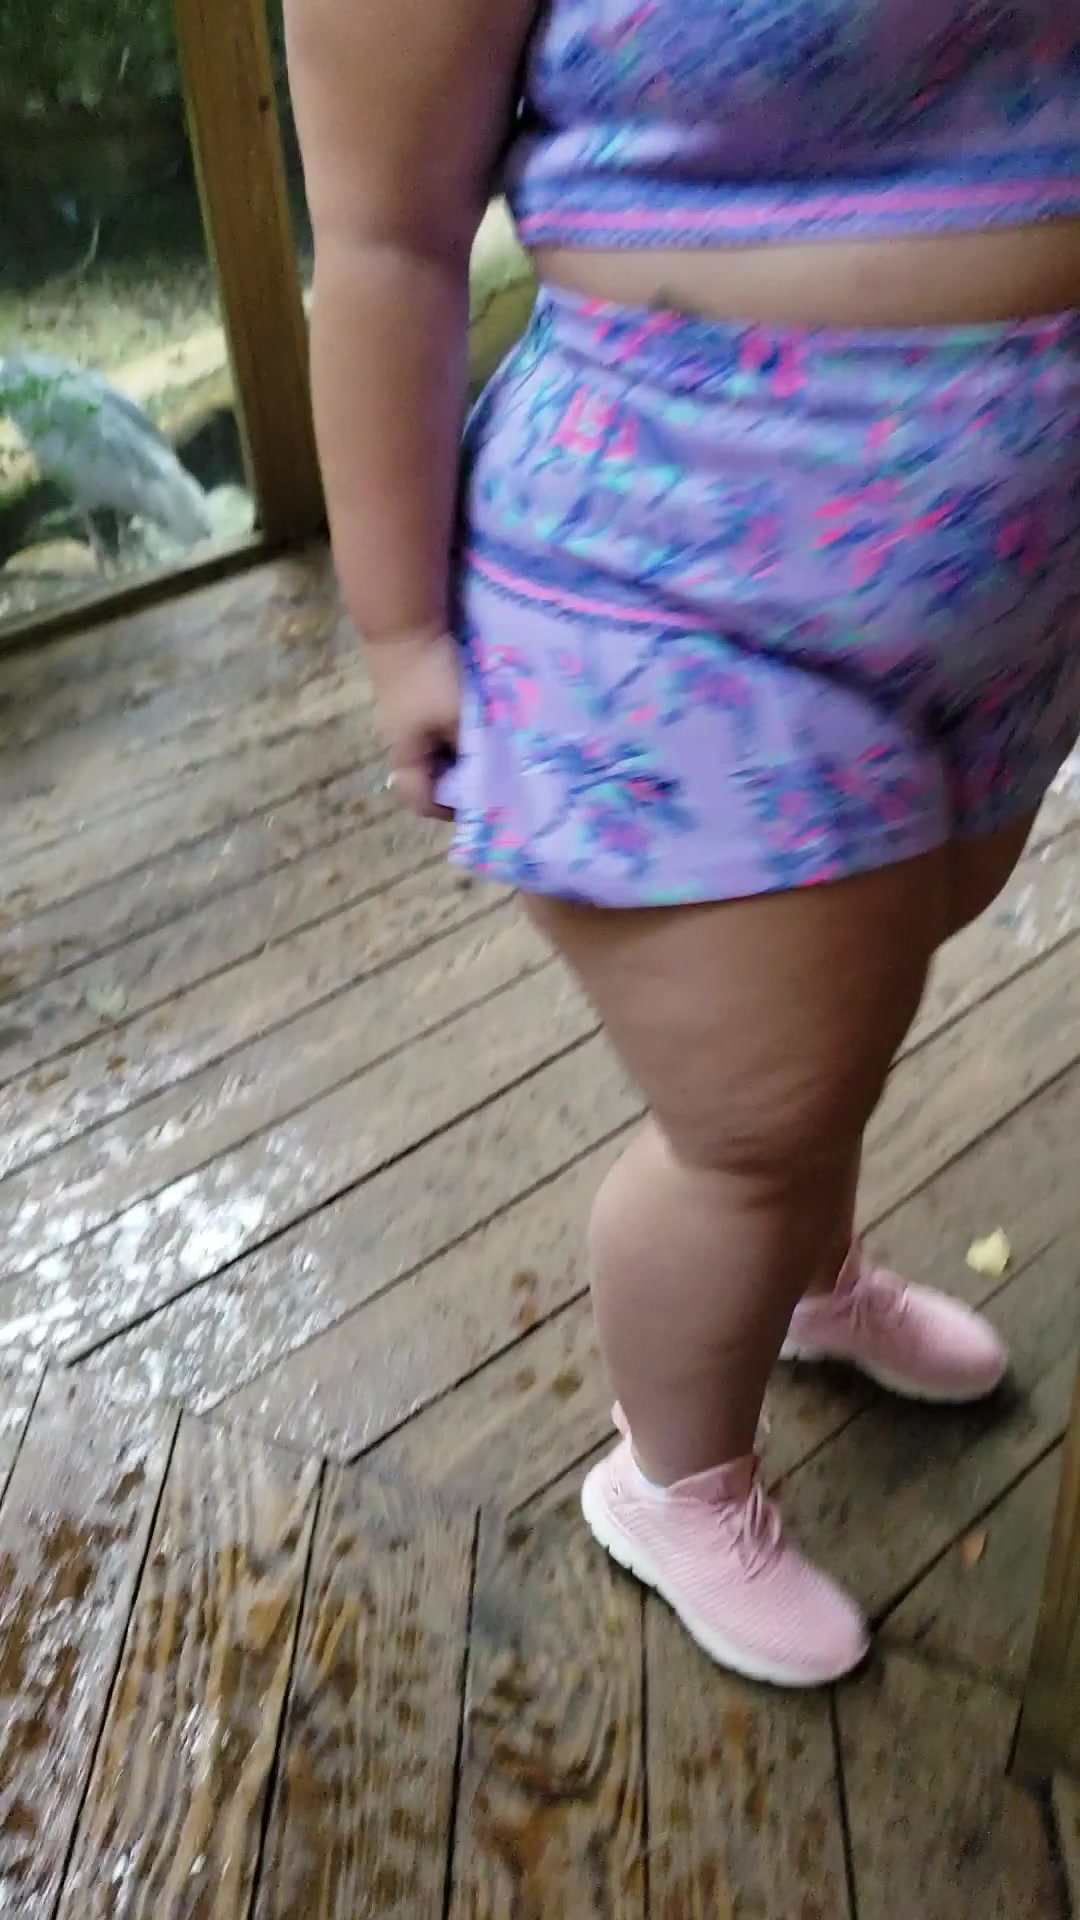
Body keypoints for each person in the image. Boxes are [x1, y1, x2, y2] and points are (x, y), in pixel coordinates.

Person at [286, 0, 1080, 1686]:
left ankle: (806, 1278)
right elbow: (382, 237)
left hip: (1017, 583)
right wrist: (398, 629)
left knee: (847, 1007)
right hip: (686, 579)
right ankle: (673, 1480)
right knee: (754, 1110)